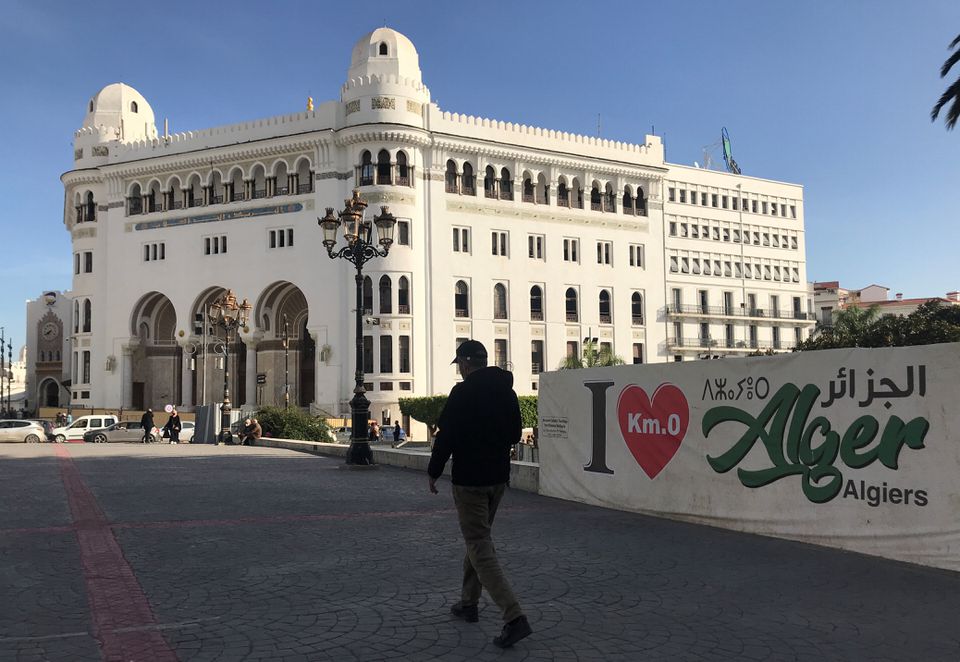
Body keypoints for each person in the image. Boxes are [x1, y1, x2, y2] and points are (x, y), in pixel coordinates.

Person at [427, 340, 532, 649]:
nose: (459, 370)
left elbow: (447, 437)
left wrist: (433, 471)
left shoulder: (462, 393)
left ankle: (514, 617)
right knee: (479, 540)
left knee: (478, 544)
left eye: (459, 364)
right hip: (498, 479)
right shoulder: (508, 391)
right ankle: (468, 603)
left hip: (469, 480)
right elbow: (515, 434)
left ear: (466, 364)